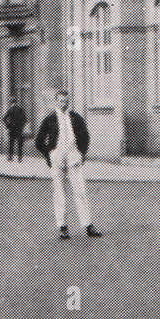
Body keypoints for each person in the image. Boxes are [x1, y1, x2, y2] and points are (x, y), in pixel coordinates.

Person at [35, 89, 101, 240]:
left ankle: (88, 225)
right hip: (57, 156)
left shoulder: (76, 118)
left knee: (80, 190)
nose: (63, 104)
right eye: (60, 101)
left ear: (69, 101)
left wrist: (82, 153)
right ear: (56, 102)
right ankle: (62, 226)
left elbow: (85, 136)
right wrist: (49, 155)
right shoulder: (50, 119)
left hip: (73, 156)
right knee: (59, 192)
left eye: (66, 101)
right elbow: (38, 141)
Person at [3, 96, 27, 162]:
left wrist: (8, 125)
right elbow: (25, 119)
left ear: (11, 102)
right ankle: (19, 158)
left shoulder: (10, 109)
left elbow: (4, 118)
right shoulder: (20, 109)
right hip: (19, 129)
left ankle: (10, 157)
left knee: (11, 143)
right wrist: (21, 126)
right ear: (16, 102)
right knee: (19, 144)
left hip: (12, 129)